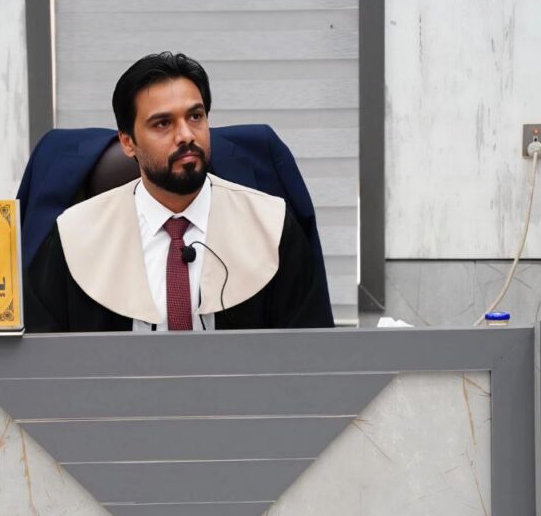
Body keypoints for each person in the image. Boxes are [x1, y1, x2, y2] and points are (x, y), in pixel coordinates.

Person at [25, 52, 332, 332]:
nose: (186, 135)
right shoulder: (74, 235)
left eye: (195, 117)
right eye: (163, 124)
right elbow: (42, 359)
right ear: (128, 143)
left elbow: (311, 355)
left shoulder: (271, 226)